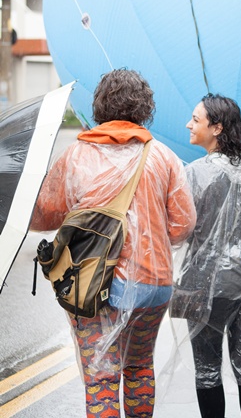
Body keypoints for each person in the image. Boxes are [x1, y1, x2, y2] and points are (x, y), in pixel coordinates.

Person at [31, 69, 196, 418]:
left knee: (102, 375)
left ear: (99, 106)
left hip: (94, 285)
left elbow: (43, 217)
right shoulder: (163, 156)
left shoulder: (76, 156)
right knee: (139, 365)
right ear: (144, 108)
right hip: (153, 284)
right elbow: (183, 226)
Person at [174, 93, 241, 418]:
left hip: (207, 285)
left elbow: (183, 228)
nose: (189, 125)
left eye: (195, 119)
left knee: (207, 369)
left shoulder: (194, 173)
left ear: (216, 128)